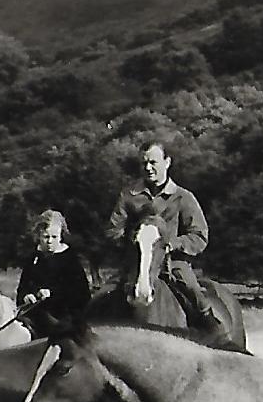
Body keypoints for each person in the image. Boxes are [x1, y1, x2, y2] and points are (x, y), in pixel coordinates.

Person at [105, 141, 242, 350]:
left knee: (191, 288)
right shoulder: (129, 196)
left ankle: (213, 328)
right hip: (138, 259)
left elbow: (199, 235)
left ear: (167, 163)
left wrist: (172, 244)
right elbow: (112, 230)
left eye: (153, 162)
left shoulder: (183, 197)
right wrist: (135, 240)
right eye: (144, 163)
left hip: (172, 264)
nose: (148, 168)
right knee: (103, 296)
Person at [14, 209, 92, 339]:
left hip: (63, 318)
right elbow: (23, 288)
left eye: (54, 237)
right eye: (46, 237)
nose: (50, 241)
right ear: (39, 236)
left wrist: (52, 294)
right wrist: (27, 296)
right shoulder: (34, 258)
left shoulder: (70, 260)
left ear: (61, 236)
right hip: (35, 316)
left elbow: (81, 294)